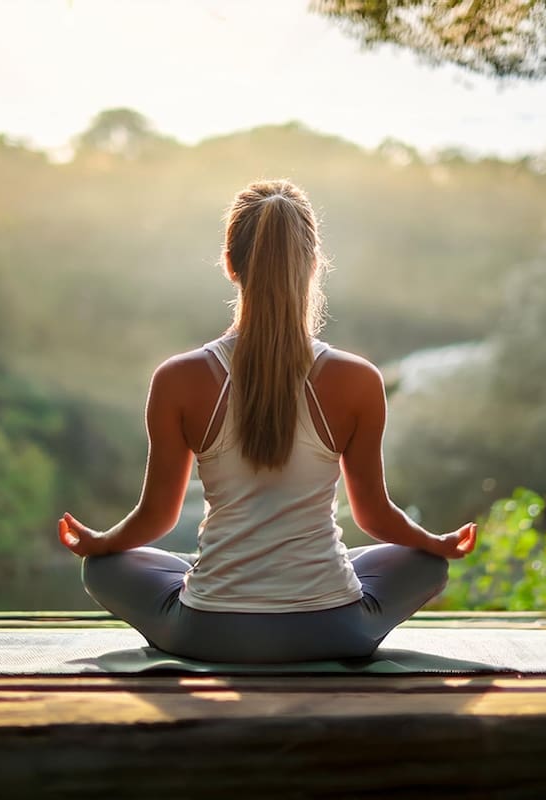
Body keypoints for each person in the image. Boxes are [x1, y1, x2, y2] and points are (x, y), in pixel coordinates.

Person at [58, 179, 477, 663]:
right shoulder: (358, 379)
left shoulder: (177, 378)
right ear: (313, 265)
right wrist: (437, 543)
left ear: (229, 264)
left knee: (103, 568)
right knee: (425, 564)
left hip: (209, 633)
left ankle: (209, 578)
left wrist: (100, 543)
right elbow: (375, 516)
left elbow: (156, 517)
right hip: (334, 630)